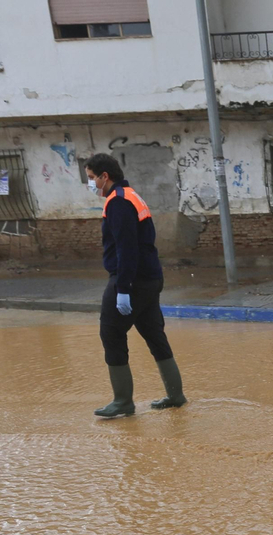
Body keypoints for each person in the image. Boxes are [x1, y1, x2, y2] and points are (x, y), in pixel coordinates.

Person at [84, 152, 187, 418]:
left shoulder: (118, 202)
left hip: (132, 280)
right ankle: (175, 396)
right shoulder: (131, 195)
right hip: (150, 278)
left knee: (111, 334)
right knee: (155, 335)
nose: (91, 183)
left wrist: (123, 289)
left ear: (105, 176)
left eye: (92, 178)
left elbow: (126, 249)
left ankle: (123, 401)